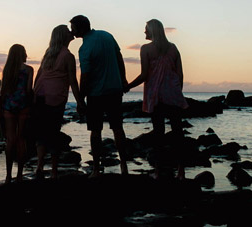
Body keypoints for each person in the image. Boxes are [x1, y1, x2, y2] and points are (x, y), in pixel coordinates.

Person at [125, 18, 188, 179]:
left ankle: (159, 171)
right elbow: (180, 74)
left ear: (152, 30)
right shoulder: (173, 48)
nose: (144, 31)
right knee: (178, 133)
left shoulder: (146, 49)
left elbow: (144, 75)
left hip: (156, 96)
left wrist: (128, 86)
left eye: (146, 29)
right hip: (173, 95)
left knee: (159, 134)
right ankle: (181, 171)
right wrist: (177, 91)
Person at [69, 14, 129, 177]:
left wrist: (80, 100)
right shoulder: (107, 35)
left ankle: (96, 168)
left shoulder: (85, 48)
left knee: (96, 131)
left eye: (73, 28)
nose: (71, 31)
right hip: (115, 90)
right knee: (118, 128)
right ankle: (124, 166)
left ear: (80, 28)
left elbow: (85, 76)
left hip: (96, 94)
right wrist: (123, 79)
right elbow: (119, 58)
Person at [33, 25, 80, 179]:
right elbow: (73, 81)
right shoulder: (68, 56)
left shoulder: (48, 54)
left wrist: (33, 94)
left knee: (41, 133)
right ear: (62, 36)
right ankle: (53, 171)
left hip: (40, 95)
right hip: (55, 98)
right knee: (53, 133)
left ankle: (39, 166)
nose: (70, 32)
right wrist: (80, 101)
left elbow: (38, 76)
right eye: (67, 30)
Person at [0, 43, 34, 183]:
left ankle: (8, 176)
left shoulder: (7, 70)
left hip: (8, 105)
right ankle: (19, 175)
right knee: (21, 140)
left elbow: (4, 90)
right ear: (22, 54)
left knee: (10, 140)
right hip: (23, 105)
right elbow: (28, 90)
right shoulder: (29, 69)